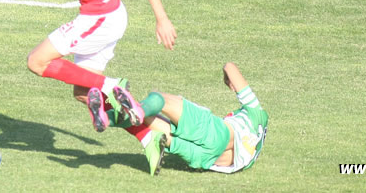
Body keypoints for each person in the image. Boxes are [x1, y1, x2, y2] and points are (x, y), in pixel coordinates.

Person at [26, 0, 178, 175]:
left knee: (37, 61)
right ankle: (150, 136)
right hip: (94, 17)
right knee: (84, 94)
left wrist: (162, 19)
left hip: (103, 18)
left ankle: (111, 84)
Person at [105, 61, 268, 175]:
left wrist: (227, 75)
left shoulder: (257, 113)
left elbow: (230, 67)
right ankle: (106, 118)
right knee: (154, 126)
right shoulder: (252, 154)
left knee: (159, 99)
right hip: (203, 159)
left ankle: (123, 112)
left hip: (216, 134)